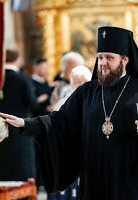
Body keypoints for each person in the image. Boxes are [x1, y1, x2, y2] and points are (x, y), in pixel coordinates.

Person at [0, 26, 138, 200]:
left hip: (128, 178)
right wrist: (26, 123)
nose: (103, 63)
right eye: (100, 57)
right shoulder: (87, 91)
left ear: (125, 60)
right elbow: (60, 120)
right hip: (93, 178)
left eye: (109, 58)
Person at [0, 49, 38, 182]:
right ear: (17, 60)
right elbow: (32, 103)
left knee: (4, 168)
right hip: (20, 129)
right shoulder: (23, 79)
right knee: (22, 170)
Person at [48, 65, 92, 200]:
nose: (81, 86)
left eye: (84, 82)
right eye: (77, 82)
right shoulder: (63, 103)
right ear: (72, 84)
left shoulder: (97, 100)